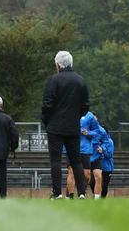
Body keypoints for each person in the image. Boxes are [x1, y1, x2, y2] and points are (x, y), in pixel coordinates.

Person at [41, 51, 90, 200]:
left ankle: (57, 193)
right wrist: (76, 116)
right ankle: (81, 192)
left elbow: (47, 105)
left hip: (55, 127)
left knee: (55, 161)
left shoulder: (53, 80)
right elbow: (85, 106)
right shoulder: (80, 81)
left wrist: (46, 121)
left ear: (58, 64)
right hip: (73, 126)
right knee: (76, 161)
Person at [100, 127, 115, 198]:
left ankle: (102, 200)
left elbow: (110, 155)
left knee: (104, 185)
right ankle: (96, 196)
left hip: (107, 168)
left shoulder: (109, 142)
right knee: (92, 182)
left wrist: (102, 150)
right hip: (97, 166)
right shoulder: (98, 141)